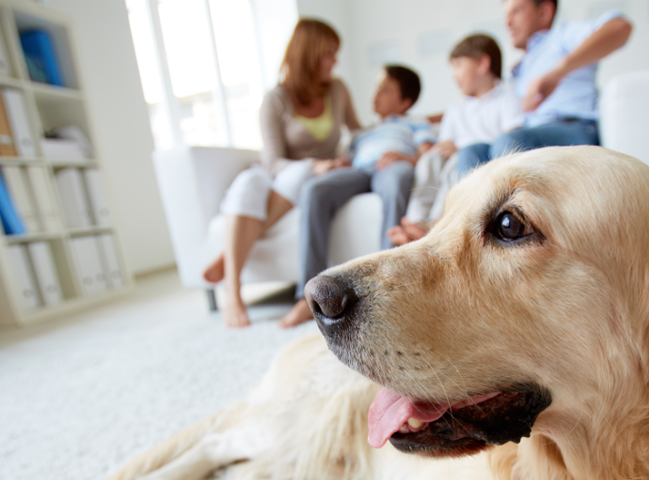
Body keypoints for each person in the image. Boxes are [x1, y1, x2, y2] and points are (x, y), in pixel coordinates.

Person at [202, 19, 361, 327]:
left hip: (315, 178)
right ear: (309, 53)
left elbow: (358, 132)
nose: (335, 60)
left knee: (304, 176)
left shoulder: (338, 90)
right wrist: (314, 164)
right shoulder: (276, 99)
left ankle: (228, 256)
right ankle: (232, 293)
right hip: (283, 174)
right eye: (329, 52)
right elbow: (273, 160)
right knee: (248, 181)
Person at [279, 65, 436, 328]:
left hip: (392, 166)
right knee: (314, 189)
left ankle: (386, 287)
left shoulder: (415, 122)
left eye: (386, 89)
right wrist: (340, 163)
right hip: (359, 170)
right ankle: (305, 297)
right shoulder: (362, 134)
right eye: (377, 87)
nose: (377, 94)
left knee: (398, 180)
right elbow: (350, 159)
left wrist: (405, 157)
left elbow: (428, 152)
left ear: (405, 101)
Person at [455, 0, 633, 176]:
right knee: (471, 152)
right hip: (529, 136)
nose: (507, 23)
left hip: (574, 129)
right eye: (506, 15)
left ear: (544, 12)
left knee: (510, 142)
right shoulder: (520, 69)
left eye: (516, 11)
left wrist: (556, 73)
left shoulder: (560, 38)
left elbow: (619, 27)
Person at [387, 34, 524, 246]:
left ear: (482, 64)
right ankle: (415, 221)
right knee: (430, 160)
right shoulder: (456, 109)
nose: (454, 75)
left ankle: (436, 223)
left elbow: (511, 140)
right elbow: (444, 143)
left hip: (476, 160)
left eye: (459, 66)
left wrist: (457, 149)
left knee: (455, 163)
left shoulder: (507, 98)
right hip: (451, 157)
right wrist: (442, 148)